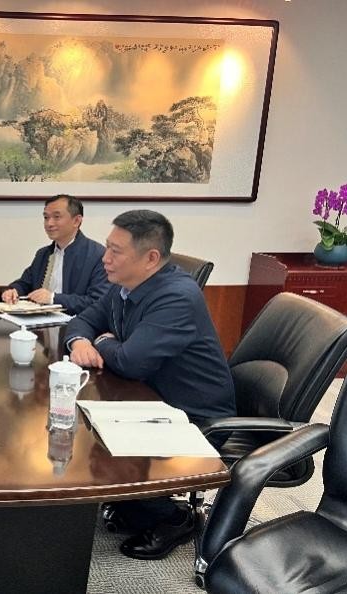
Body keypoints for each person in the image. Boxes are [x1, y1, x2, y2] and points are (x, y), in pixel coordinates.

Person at [63, 209, 235, 561]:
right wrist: (80, 341)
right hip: (149, 399)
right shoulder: (124, 285)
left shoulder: (177, 297)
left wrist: (103, 343)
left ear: (151, 258)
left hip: (194, 417)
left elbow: (131, 361)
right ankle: (136, 501)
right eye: (107, 247)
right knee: (81, 428)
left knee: (95, 445)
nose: (105, 258)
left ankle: (175, 519)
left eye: (116, 251)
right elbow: (84, 319)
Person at [1, 195, 110, 314]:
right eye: (46, 217)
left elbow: (98, 302)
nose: (49, 223)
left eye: (57, 217)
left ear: (76, 221)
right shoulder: (43, 254)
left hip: (77, 322)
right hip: (39, 321)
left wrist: (53, 298)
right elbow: (25, 283)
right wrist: (13, 291)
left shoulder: (98, 255)